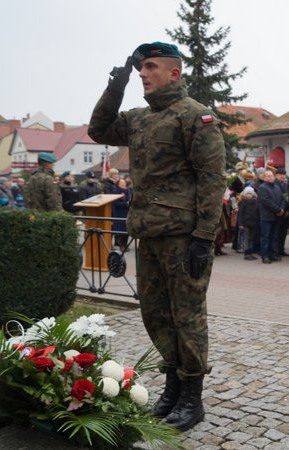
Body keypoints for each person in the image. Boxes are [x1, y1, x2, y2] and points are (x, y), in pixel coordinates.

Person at [88, 41, 226, 431]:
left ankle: (192, 397)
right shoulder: (139, 119)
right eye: (140, 68)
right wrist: (117, 86)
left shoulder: (196, 118)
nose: (143, 74)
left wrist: (203, 237)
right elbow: (98, 129)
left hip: (184, 237)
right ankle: (171, 388)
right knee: (156, 314)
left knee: (188, 317)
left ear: (174, 73)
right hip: (148, 234)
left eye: (150, 67)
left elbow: (212, 180)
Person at [257, 169, 285, 264]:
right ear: (264, 178)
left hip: (276, 216)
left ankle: (273, 255)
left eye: (271, 176)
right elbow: (266, 201)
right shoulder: (262, 188)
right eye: (268, 176)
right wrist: (278, 210)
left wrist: (281, 209)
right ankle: (265, 256)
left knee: (274, 236)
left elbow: (282, 199)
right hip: (266, 217)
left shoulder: (277, 187)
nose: (270, 177)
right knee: (266, 237)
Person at [110, 177, 130, 249]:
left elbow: (129, 200)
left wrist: (128, 203)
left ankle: (125, 244)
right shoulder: (115, 191)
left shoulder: (128, 191)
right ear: (118, 184)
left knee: (127, 230)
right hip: (119, 213)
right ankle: (121, 245)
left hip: (127, 213)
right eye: (122, 183)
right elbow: (115, 203)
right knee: (120, 230)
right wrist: (125, 204)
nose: (123, 184)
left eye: (124, 183)